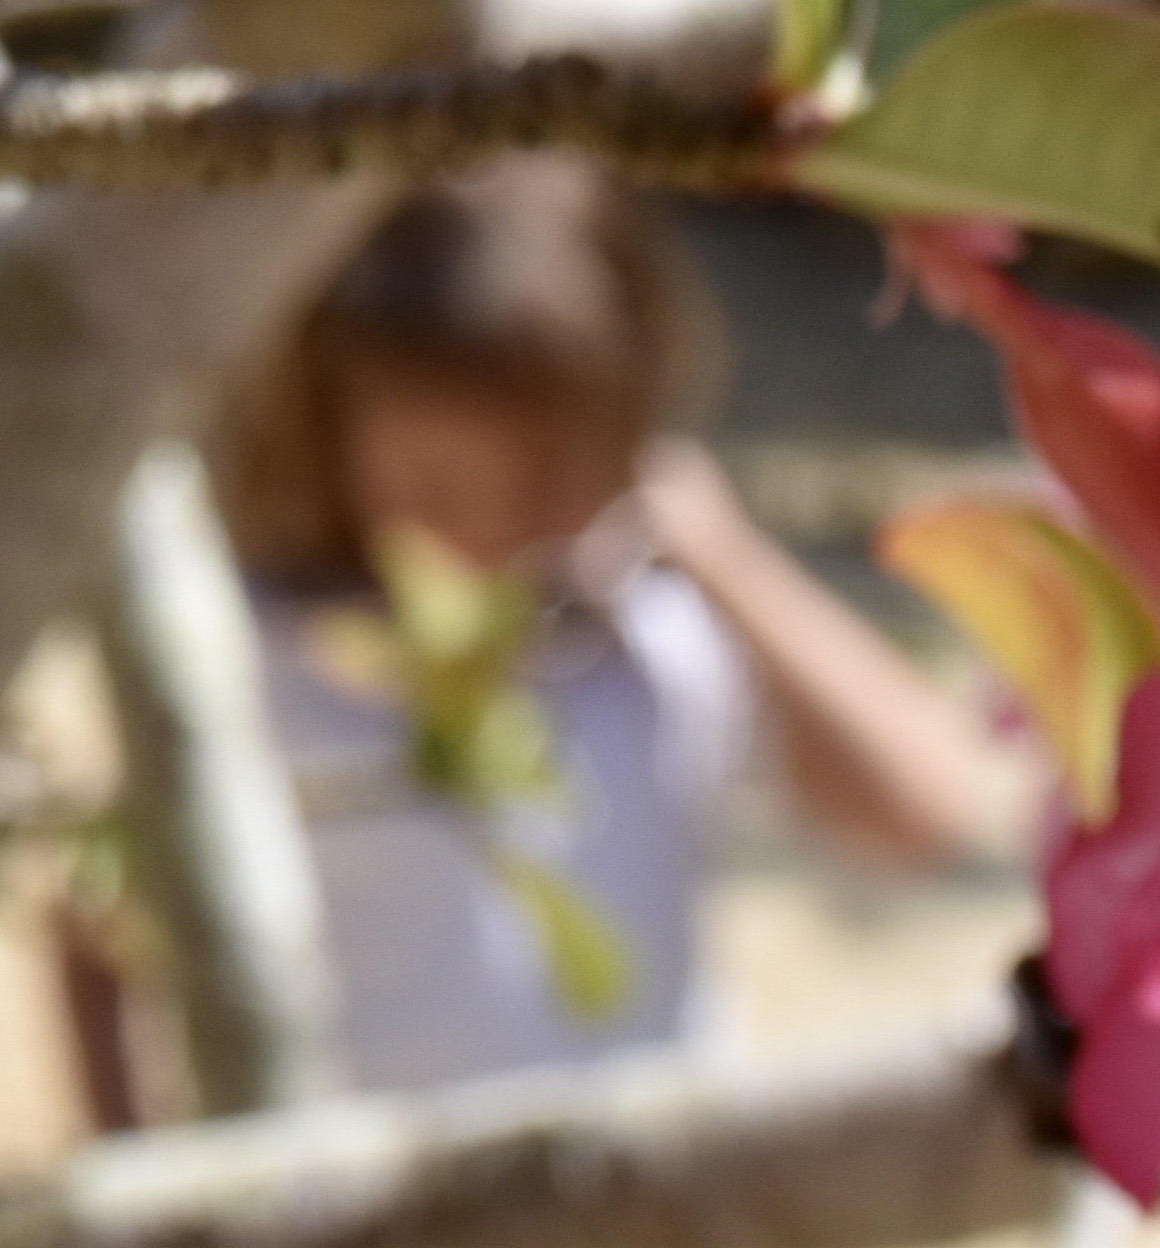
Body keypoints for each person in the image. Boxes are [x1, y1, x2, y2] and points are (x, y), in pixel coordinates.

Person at [198, 161, 1004, 1100]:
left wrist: (725, 558)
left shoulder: (652, 635)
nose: (490, 537)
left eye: (544, 483)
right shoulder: (249, 657)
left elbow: (920, 812)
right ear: (331, 434)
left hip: (652, 1173)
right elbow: (109, 928)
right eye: (436, 489)